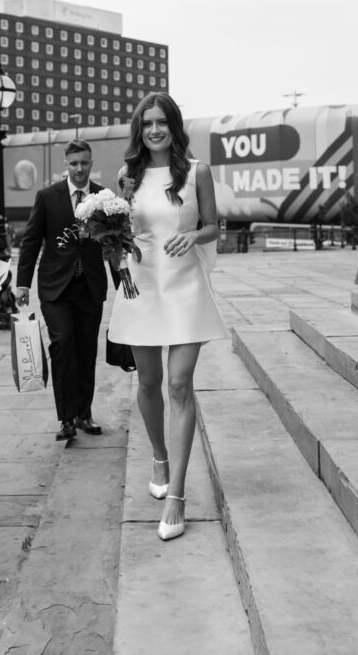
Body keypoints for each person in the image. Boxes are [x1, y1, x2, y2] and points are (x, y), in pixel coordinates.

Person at [107, 92, 226, 542]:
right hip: (141, 284)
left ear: (174, 127)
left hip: (184, 285)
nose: (154, 129)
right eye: (147, 123)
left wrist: (193, 235)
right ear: (140, 129)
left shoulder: (199, 172)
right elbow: (122, 227)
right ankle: (158, 454)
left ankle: (176, 494)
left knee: (179, 384)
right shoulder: (128, 176)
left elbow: (216, 226)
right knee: (149, 382)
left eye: (162, 122)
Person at [16, 140, 112, 441]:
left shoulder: (103, 197)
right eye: (74, 164)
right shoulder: (47, 197)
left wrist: (125, 288)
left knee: (86, 350)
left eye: (84, 163)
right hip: (55, 287)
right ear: (66, 165)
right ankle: (66, 418)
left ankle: (84, 414)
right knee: (62, 344)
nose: (79, 169)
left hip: (90, 287)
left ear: (91, 163)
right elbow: (31, 241)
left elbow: (113, 244)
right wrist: (22, 283)